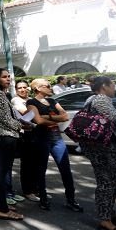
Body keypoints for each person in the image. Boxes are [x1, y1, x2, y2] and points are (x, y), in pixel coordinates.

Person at [81, 77, 116, 230]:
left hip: (102, 146)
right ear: (104, 86)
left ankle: (109, 213)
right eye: (113, 86)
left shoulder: (93, 99)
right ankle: (105, 220)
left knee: (113, 180)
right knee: (107, 183)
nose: (114, 89)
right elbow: (113, 117)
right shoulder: (100, 99)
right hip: (103, 148)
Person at [27, 78, 83, 212]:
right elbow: (38, 121)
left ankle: (71, 199)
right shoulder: (31, 102)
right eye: (47, 86)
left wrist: (47, 117)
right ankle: (43, 199)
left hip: (56, 137)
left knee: (65, 170)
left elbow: (65, 116)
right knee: (41, 169)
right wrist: (48, 118)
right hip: (41, 138)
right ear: (38, 88)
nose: (50, 88)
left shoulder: (52, 101)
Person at [0, 68, 24, 221]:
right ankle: (3, 209)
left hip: (1, 136)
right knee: (1, 173)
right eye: (4, 77)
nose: (8, 79)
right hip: (5, 137)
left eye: (9, 76)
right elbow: (5, 119)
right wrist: (21, 126)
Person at [11, 80, 39, 202]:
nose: (22, 90)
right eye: (19, 88)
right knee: (27, 164)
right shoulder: (16, 100)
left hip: (36, 133)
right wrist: (37, 110)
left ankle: (36, 189)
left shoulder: (31, 99)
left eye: (24, 87)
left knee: (36, 163)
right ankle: (28, 190)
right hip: (25, 135)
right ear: (16, 90)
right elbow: (26, 113)